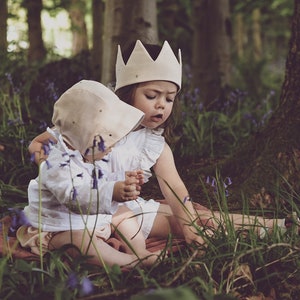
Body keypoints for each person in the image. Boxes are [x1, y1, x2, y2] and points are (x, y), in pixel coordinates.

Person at [28, 41, 297, 249]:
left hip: (126, 211)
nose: (161, 105)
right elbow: (39, 144)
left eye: (169, 99)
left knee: (196, 218)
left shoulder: (153, 144)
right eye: (152, 95)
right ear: (127, 93)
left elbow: (175, 187)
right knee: (182, 221)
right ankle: (265, 230)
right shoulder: (96, 119)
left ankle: (279, 226)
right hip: (86, 214)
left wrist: (189, 224)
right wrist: (48, 164)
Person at [17, 79, 162, 268]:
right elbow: (74, 196)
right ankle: (132, 262)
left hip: (94, 221)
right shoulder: (56, 162)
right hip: (59, 228)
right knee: (79, 243)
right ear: (86, 135)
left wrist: (121, 181)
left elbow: (97, 180)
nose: (113, 147)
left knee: (124, 213)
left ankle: (140, 250)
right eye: (109, 140)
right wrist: (112, 191)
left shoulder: (88, 153)